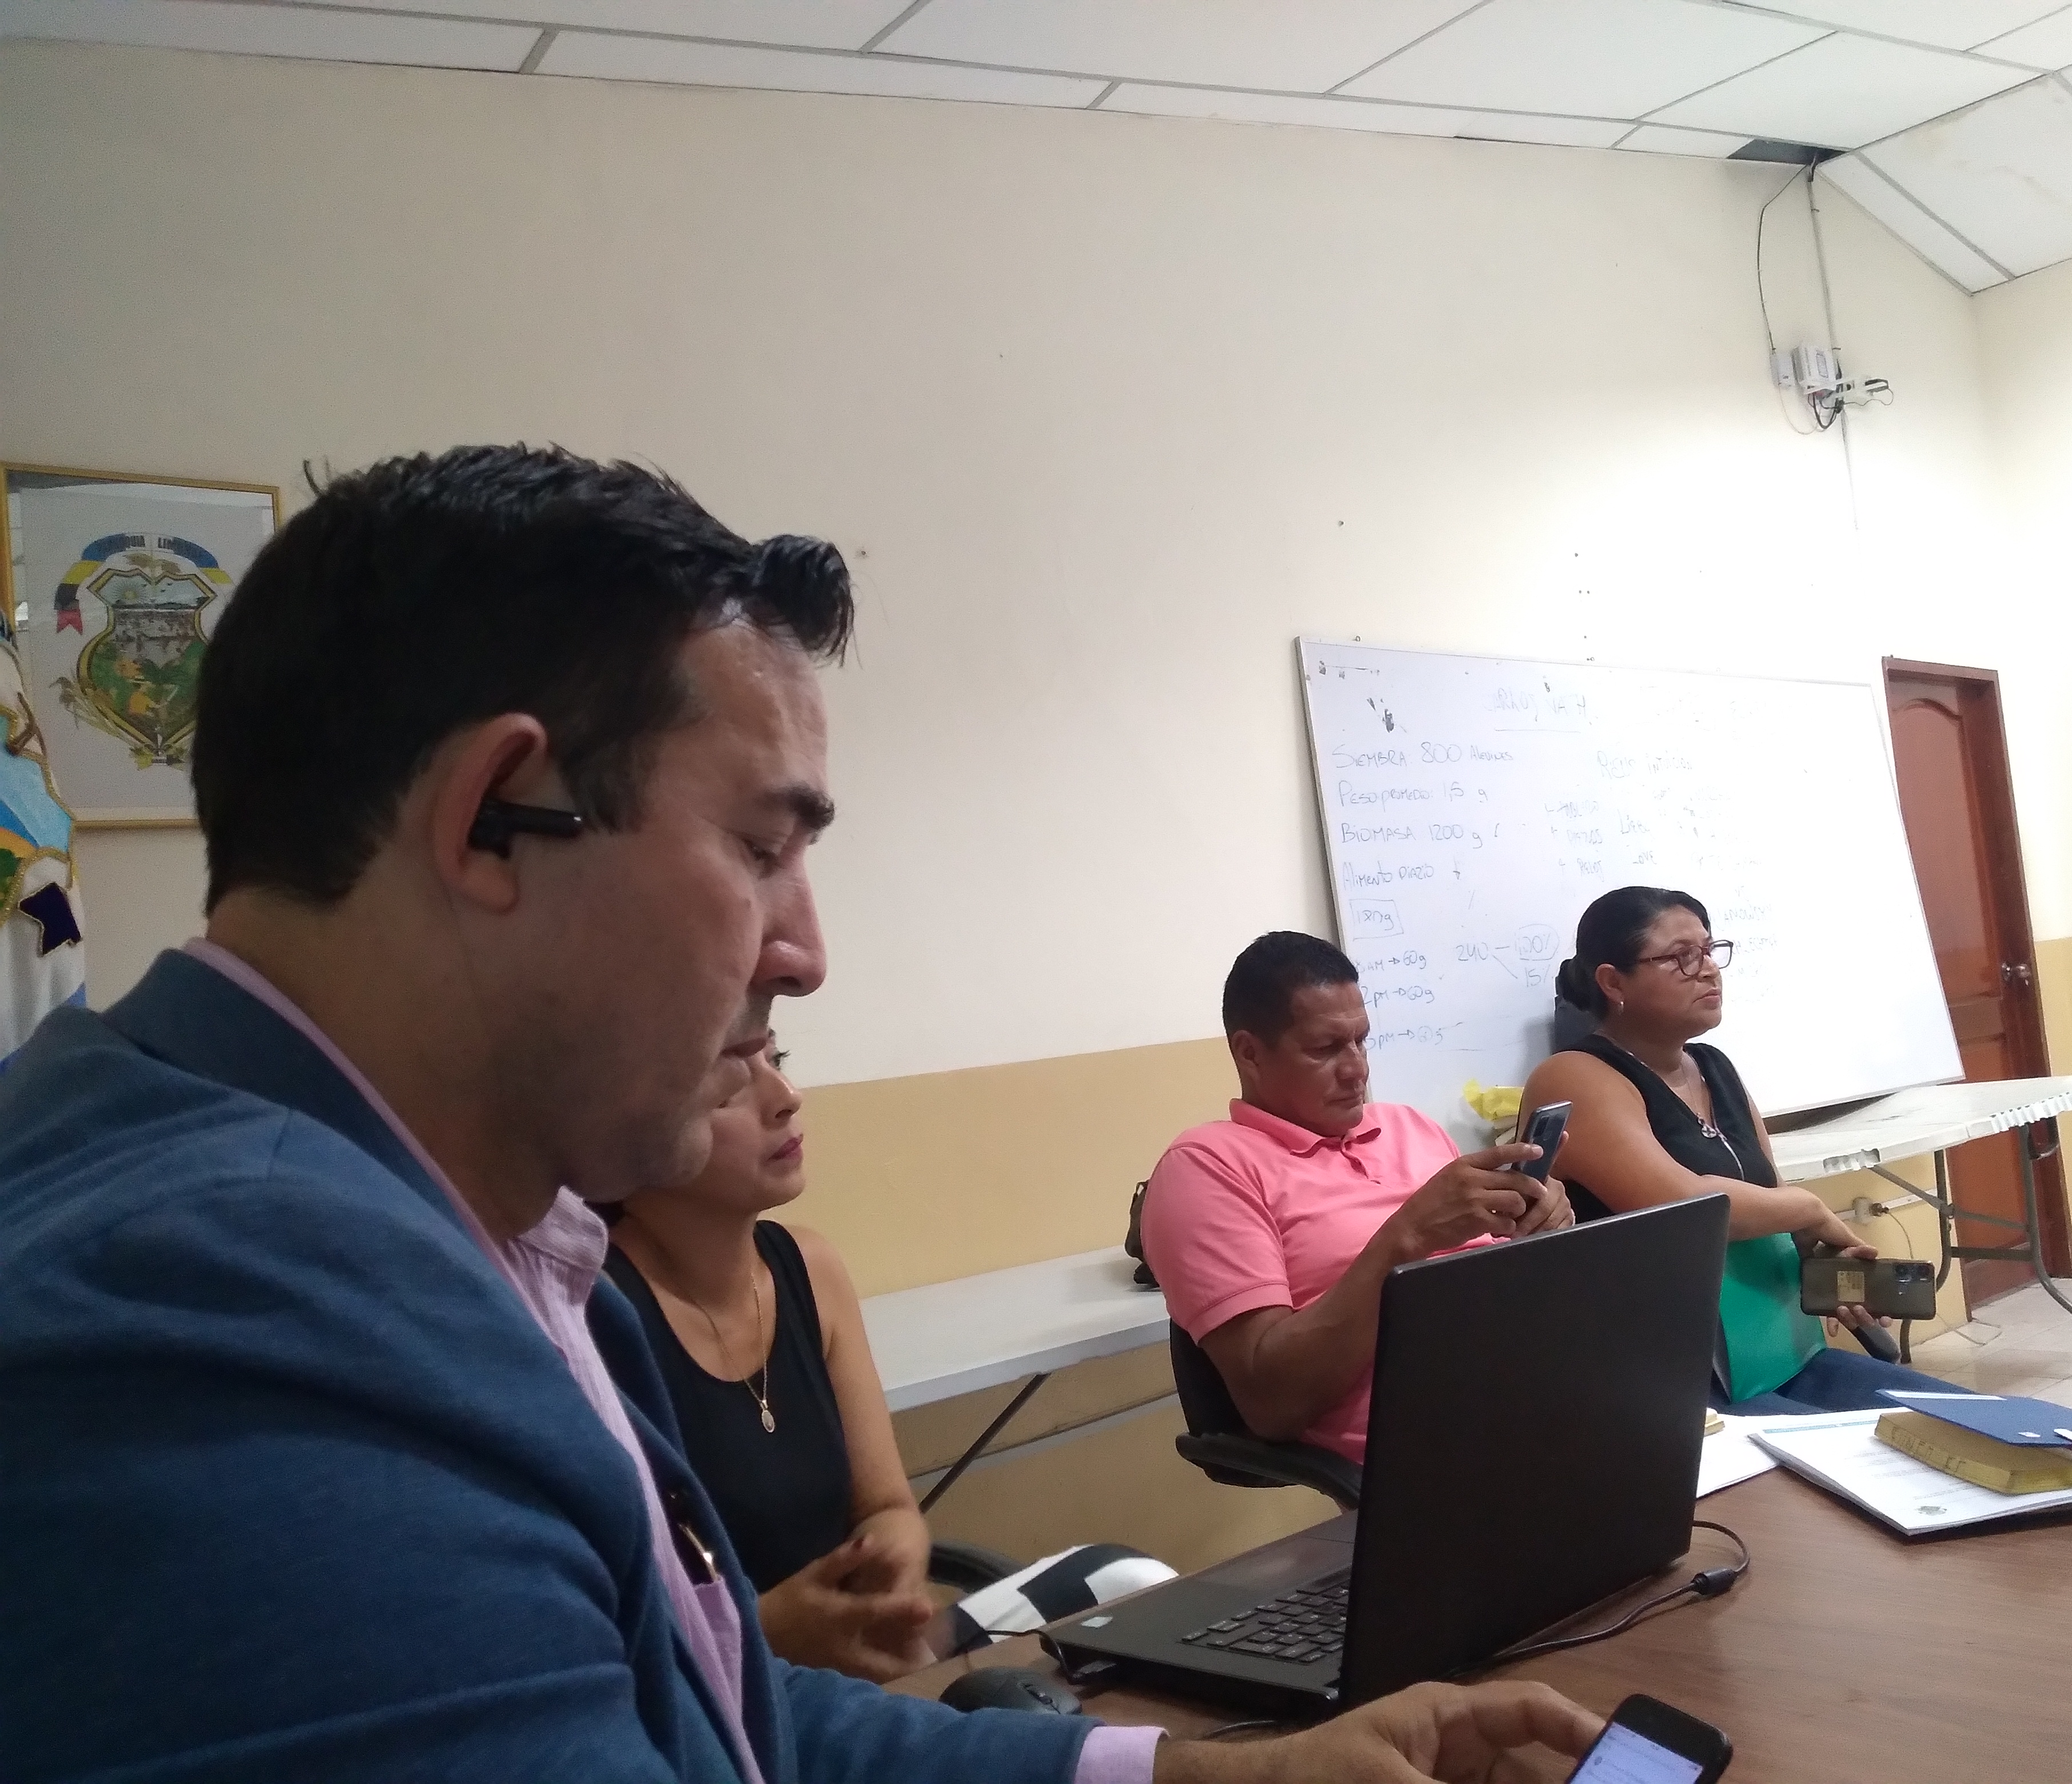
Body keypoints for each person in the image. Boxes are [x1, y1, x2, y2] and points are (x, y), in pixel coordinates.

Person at [0, 445, 1599, 1784]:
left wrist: (1214, 1777)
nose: (806, 953)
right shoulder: (214, 1315)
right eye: (763, 849)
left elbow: (719, 1712)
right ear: (492, 819)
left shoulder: (492, 1233)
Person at [603, 1051, 1173, 1683]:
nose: (787, 1096)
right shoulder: (591, 1317)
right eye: (732, 1080)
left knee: (1128, 1580)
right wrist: (769, 1632)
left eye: (779, 1057)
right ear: (629, 1122)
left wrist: (892, 1570)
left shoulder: (810, 1267)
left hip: (868, 1671)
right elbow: (611, 1631)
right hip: (731, 1694)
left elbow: (887, 1505)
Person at [1522, 886, 1965, 1415]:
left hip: (1773, 1352)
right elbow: (1689, 1205)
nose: (1709, 970)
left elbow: (1769, 1195)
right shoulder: (1574, 1075)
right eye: (1682, 957)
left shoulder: (1715, 1067)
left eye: (1710, 950)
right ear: (1613, 981)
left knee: (1965, 1422)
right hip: (1665, 1375)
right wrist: (1810, 1209)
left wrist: (1820, 1259)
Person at [1138, 930, 1570, 1464]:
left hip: (1547, 1396)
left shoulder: (1409, 1126)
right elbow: (1271, 1401)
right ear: (1249, 1053)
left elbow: (1498, 1279)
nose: (1357, 1069)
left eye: (1362, 1041)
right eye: (1325, 1049)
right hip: (1442, 1449)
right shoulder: (1208, 1167)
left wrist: (1541, 1224)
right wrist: (1405, 1239)